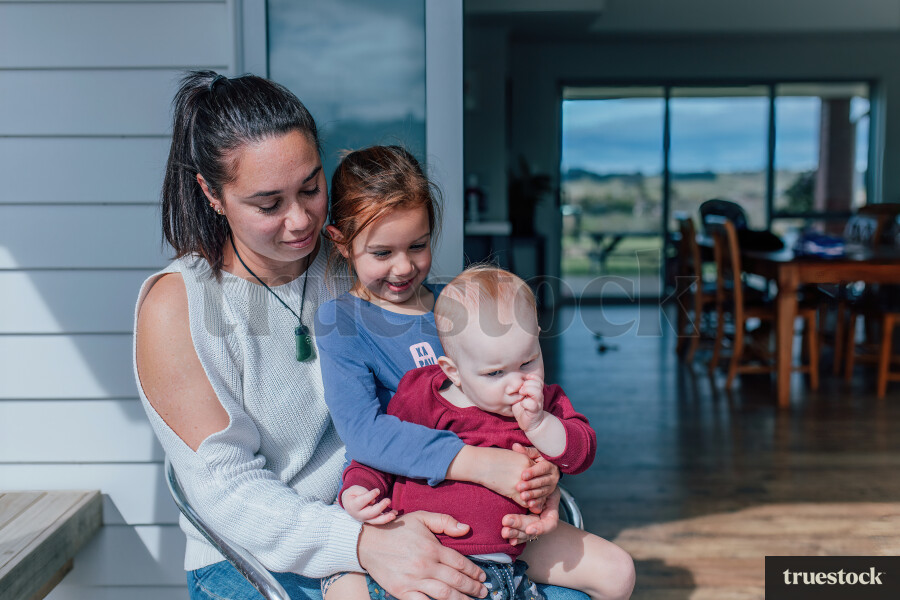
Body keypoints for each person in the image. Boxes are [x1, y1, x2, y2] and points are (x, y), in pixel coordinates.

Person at [134, 71, 496, 600]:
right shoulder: (179, 305)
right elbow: (227, 492)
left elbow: (454, 369)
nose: (300, 220)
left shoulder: (352, 258)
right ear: (212, 194)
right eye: (268, 204)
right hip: (255, 562)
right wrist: (363, 543)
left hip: (391, 515)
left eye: (310, 188)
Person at [315, 146, 635, 600]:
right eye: (382, 251)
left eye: (418, 245)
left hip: (510, 521)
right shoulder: (342, 321)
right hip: (427, 515)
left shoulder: (463, 304)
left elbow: (534, 409)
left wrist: (545, 469)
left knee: (617, 572)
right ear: (341, 243)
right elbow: (364, 435)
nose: (404, 266)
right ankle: (351, 583)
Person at [339, 265, 616, 600]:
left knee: (620, 571)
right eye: (495, 372)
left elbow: (581, 453)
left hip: (515, 553)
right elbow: (385, 453)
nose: (517, 384)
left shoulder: (544, 402)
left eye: (527, 362)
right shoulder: (422, 397)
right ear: (453, 371)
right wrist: (359, 488)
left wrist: (542, 425)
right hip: (434, 551)